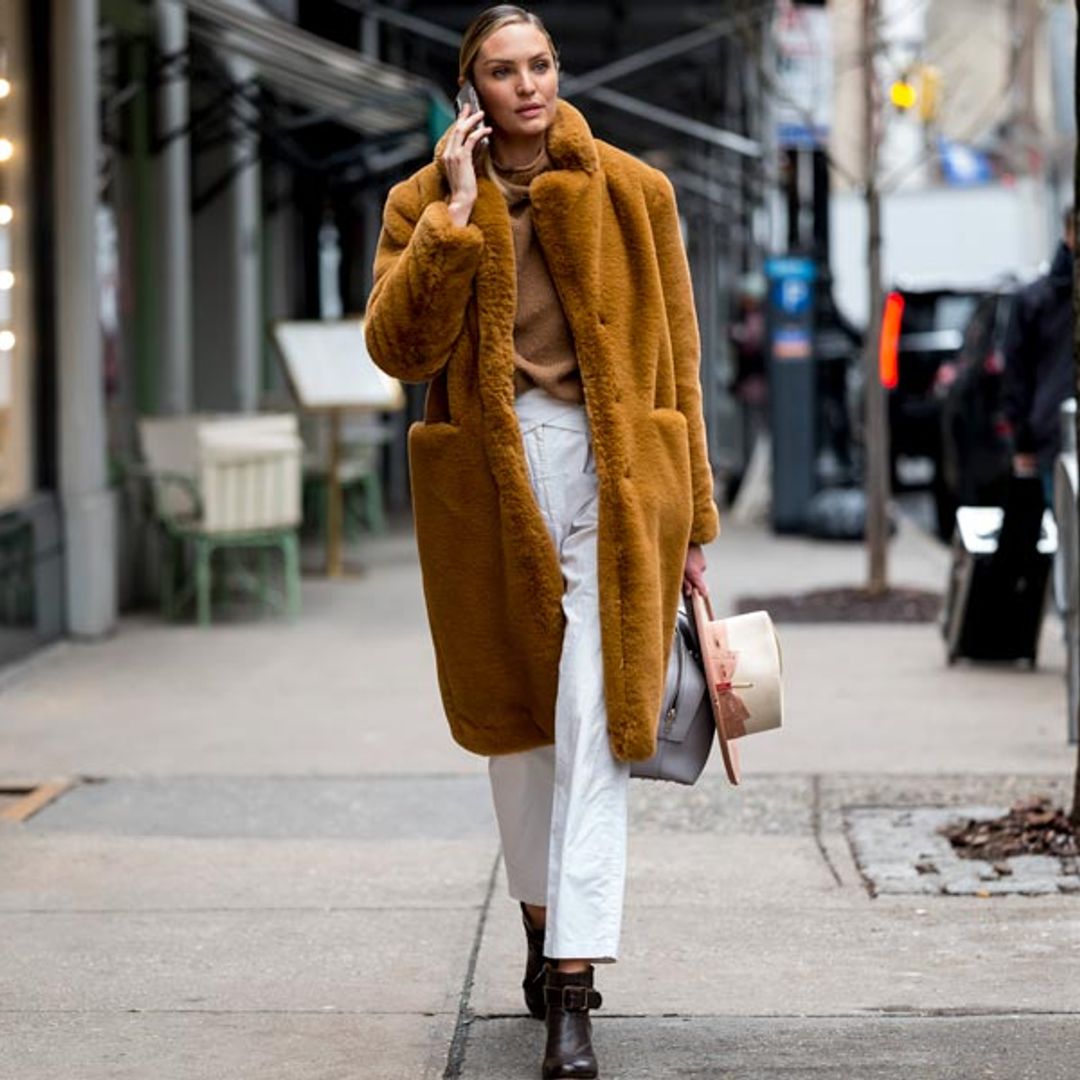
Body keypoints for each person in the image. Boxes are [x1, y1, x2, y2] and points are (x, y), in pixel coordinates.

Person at [364, 7, 719, 1077]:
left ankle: (573, 981)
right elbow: (397, 348)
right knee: (521, 733)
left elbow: (683, 366)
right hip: (489, 479)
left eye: (542, 64)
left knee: (598, 718)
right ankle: (538, 918)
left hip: (618, 483)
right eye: (505, 72)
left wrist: (693, 523)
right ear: (471, 90)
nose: (529, 86)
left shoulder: (633, 191)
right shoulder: (421, 202)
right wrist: (456, 221)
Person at [1002, 204, 1076, 509]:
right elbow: (1017, 373)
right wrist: (1023, 440)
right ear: (1069, 232)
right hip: (1054, 434)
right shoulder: (1036, 299)